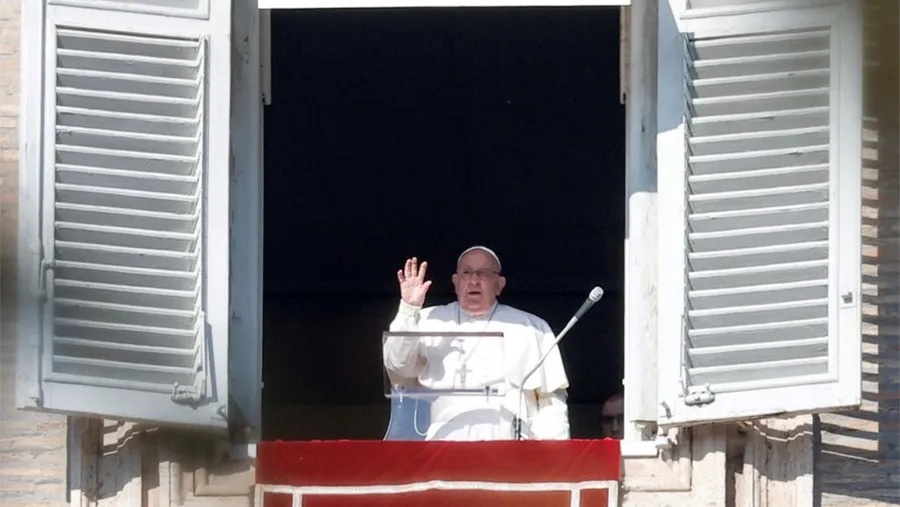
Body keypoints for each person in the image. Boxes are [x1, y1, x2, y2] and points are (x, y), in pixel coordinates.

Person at [382, 246, 570, 441]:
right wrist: (409, 308)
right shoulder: (427, 320)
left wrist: (551, 457)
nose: (473, 280)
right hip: (444, 447)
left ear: (499, 284)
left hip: (512, 451)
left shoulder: (532, 327)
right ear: (455, 282)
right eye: (466, 273)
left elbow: (551, 401)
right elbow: (399, 367)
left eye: (483, 274)